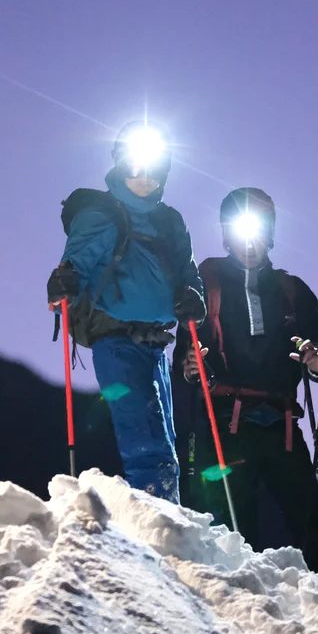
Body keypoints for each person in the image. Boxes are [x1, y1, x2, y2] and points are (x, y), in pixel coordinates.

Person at [175, 187, 318, 577]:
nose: (249, 241)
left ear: (271, 233)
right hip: (225, 424)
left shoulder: (292, 290)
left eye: (258, 230)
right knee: (234, 529)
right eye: (240, 230)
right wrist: (188, 367)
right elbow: (187, 345)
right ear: (225, 234)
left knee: (310, 524)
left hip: (282, 424)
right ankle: (237, 605)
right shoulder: (206, 280)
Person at [48, 121, 205, 503]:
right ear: (120, 163)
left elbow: (188, 273)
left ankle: (167, 521)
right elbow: (75, 267)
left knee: (165, 441)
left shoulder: (170, 221)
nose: (145, 177)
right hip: (114, 342)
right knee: (145, 441)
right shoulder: (101, 214)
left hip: (157, 345)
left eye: (155, 168)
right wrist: (62, 284)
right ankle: (159, 525)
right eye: (136, 166)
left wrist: (193, 299)